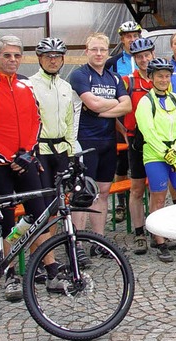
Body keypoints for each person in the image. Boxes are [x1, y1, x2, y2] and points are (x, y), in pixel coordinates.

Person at [0, 35, 54, 301]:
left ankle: (51, 269)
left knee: (38, 215)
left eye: (17, 55)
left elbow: (36, 119)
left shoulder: (27, 84)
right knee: (6, 220)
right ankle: (10, 274)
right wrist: (8, 157)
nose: (13, 60)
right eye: (7, 55)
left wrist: (27, 152)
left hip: (26, 160)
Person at [69, 32, 131, 261]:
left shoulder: (114, 78)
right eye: (94, 49)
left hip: (107, 142)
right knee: (83, 193)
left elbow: (127, 106)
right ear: (87, 51)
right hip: (84, 143)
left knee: (103, 192)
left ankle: (98, 240)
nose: (98, 54)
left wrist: (102, 109)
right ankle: (76, 244)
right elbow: (91, 103)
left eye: (102, 50)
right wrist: (111, 104)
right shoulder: (79, 75)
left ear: (108, 52)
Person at [135, 58, 176, 263]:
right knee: (158, 199)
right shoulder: (146, 102)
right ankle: (160, 242)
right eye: (159, 76)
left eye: (166, 76)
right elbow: (148, 132)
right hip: (156, 155)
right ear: (151, 78)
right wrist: (165, 152)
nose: (164, 80)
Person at [29, 37, 77, 293]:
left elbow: (70, 120)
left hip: (61, 151)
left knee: (58, 208)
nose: (52, 59)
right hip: (41, 150)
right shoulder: (31, 85)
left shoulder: (66, 86)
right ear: (39, 58)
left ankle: (46, 256)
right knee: (42, 209)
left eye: (57, 56)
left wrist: (70, 149)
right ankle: (43, 262)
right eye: (48, 56)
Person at [120, 37, 156, 255]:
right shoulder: (128, 81)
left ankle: (154, 228)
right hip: (136, 140)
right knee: (136, 188)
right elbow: (120, 107)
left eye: (147, 55)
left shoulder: (159, 78)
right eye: (139, 57)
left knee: (156, 187)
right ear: (134, 59)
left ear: (152, 55)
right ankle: (139, 231)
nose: (144, 60)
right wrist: (123, 131)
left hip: (157, 139)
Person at [106, 21, 142, 223]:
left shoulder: (146, 58)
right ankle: (120, 203)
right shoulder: (113, 62)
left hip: (143, 117)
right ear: (122, 39)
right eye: (128, 36)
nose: (132, 39)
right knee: (121, 163)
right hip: (121, 117)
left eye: (135, 35)